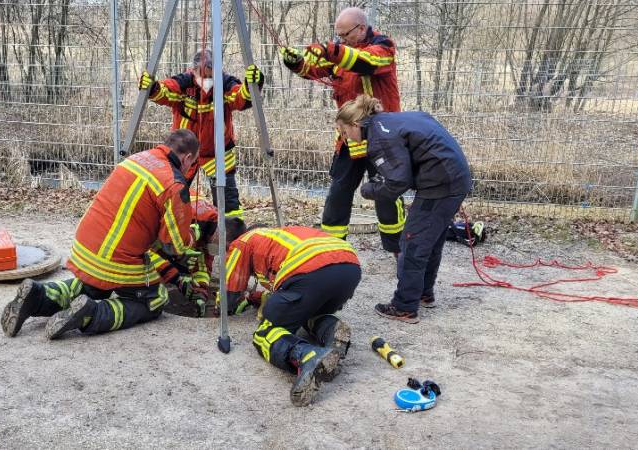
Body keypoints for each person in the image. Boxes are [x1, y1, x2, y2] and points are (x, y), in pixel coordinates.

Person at [0, 129, 200, 339]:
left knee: (94, 285)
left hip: (84, 247)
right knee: (154, 299)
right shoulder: (174, 184)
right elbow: (174, 246)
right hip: (114, 257)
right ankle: (91, 315)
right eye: (192, 163)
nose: (190, 168)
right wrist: (192, 234)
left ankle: (38, 296)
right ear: (187, 158)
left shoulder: (135, 159)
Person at [335, 95, 472, 323]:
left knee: (412, 241)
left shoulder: (379, 138)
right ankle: (423, 293)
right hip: (453, 177)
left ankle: (405, 306)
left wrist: (368, 190)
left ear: (355, 125)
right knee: (431, 240)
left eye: (345, 132)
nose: (345, 137)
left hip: (440, 184)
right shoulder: (387, 121)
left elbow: (397, 182)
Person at [278, 7, 404, 253]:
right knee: (338, 194)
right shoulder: (341, 50)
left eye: (345, 35)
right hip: (350, 138)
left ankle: (398, 249)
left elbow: (365, 62)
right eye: (338, 36)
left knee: (386, 195)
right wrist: (296, 63)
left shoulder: (383, 47)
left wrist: (330, 50)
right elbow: (315, 70)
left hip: (382, 138)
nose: (341, 39)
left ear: (361, 28)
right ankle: (331, 249)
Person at [222, 226, 361, 406]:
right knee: (305, 309)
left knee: (265, 332)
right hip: (349, 267)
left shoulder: (243, 241)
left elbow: (229, 295)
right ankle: (332, 331)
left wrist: (220, 305)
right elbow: (285, 290)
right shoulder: (279, 236)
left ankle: (307, 355)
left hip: (311, 271)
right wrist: (255, 298)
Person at [138, 50, 264, 224]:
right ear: (194, 69)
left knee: (228, 202)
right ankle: (169, 234)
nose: (205, 79)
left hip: (217, 153)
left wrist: (252, 85)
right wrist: (152, 88)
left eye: (210, 73)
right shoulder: (184, 84)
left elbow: (241, 98)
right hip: (183, 153)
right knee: (173, 193)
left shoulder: (225, 85)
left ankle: (230, 236)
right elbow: (165, 92)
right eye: (201, 73)